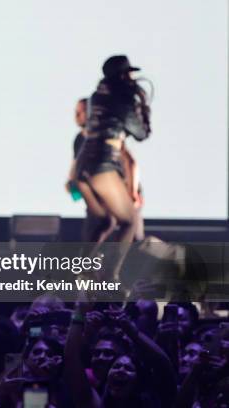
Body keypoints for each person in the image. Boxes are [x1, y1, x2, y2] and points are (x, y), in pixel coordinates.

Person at [74, 55, 151, 279]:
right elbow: (141, 133)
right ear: (123, 76)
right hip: (103, 163)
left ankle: (82, 272)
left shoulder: (95, 98)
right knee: (129, 222)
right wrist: (141, 105)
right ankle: (110, 277)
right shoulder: (121, 100)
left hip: (85, 166)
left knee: (106, 221)